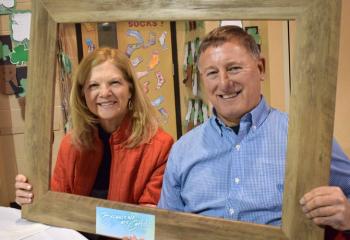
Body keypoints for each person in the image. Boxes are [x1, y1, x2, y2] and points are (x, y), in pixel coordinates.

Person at [157, 25, 350, 237]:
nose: (224, 83)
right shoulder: (182, 150)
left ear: (261, 68)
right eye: (212, 73)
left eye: (234, 68)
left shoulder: (306, 137)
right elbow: (166, 228)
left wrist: (347, 213)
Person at [15, 47, 173, 206]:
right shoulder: (70, 143)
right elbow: (57, 204)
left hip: (127, 232)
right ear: (82, 93)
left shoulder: (160, 146)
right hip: (74, 231)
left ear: (130, 89)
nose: (104, 93)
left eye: (115, 82)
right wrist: (32, 198)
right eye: (94, 85)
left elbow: (149, 218)